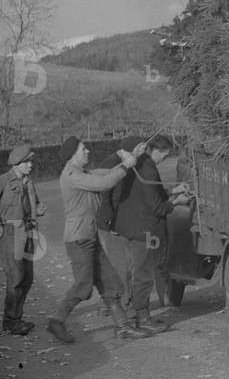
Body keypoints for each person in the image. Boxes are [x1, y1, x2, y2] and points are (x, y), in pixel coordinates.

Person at [47, 137, 140, 343]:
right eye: (83, 149)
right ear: (73, 155)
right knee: (84, 285)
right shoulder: (72, 175)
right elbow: (104, 183)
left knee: (110, 283)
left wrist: (130, 157)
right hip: (79, 239)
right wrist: (126, 165)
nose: (88, 151)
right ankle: (56, 321)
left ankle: (123, 328)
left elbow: (106, 173)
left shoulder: (83, 173)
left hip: (89, 237)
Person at [113, 135, 190, 334]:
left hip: (131, 226)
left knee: (138, 271)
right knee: (144, 274)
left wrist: (173, 190)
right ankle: (143, 317)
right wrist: (176, 202)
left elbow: (152, 194)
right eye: (164, 154)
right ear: (153, 150)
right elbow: (156, 207)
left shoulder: (139, 164)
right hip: (145, 230)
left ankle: (139, 313)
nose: (165, 158)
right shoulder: (148, 168)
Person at [94, 137, 151, 337]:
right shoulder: (113, 163)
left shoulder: (125, 162)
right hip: (109, 224)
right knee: (120, 265)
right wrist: (110, 222)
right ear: (132, 149)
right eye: (141, 149)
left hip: (116, 221)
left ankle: (109, 305)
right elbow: (106, 195)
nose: (143, 153)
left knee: (123, 264)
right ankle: (116, 308)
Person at [0, 145, 47, 335]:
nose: (30, 165)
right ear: (16, 163)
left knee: (27, 278)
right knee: (16, 277)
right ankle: (11, 320)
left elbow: (35, 204)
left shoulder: (28, 182)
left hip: (28, 232)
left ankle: (15, 318)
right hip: (11, 233)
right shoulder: (4, 180)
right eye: (27, 162)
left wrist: (39, 209)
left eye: (31, 161)